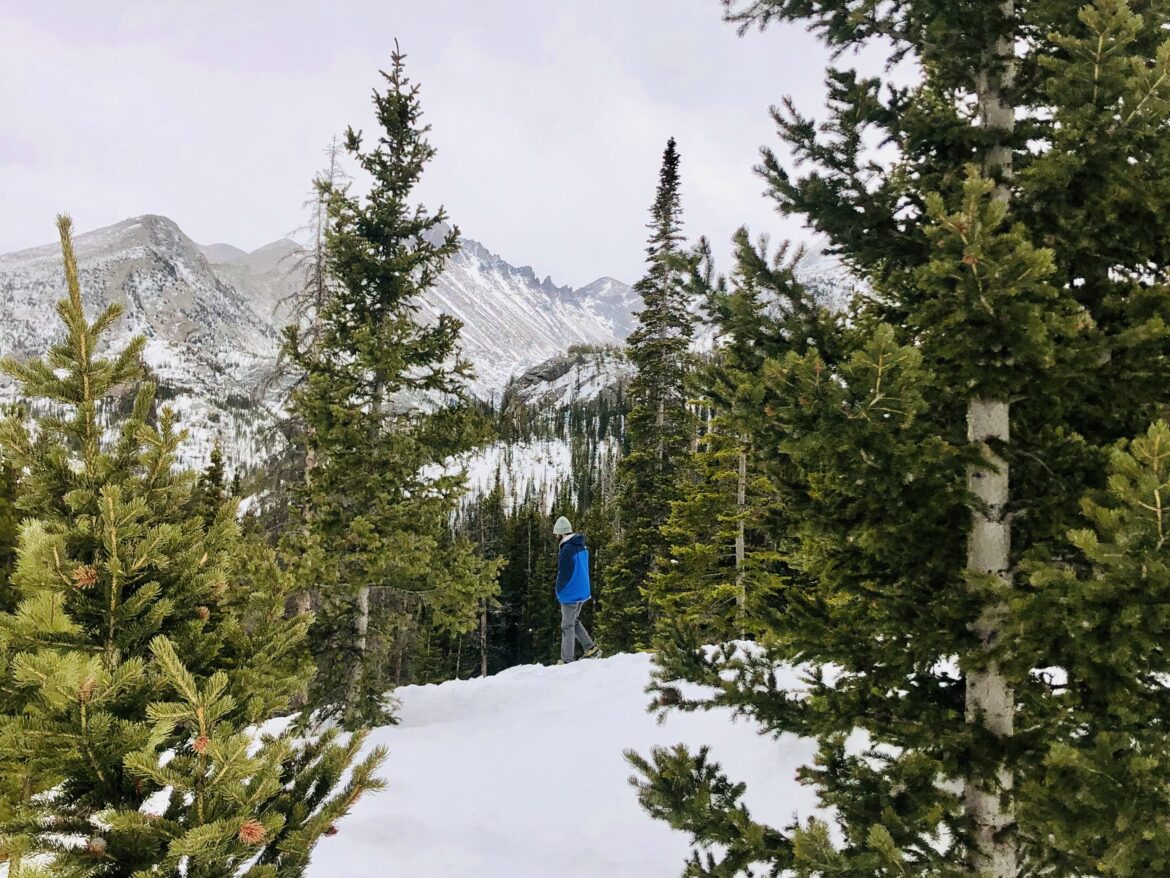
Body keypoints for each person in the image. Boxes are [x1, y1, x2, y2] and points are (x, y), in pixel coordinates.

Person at [553, 515, 601, 664]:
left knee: (566, 625)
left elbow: (564, 573)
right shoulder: (581, 545)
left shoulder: (567, 549)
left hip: (571, 592)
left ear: (560, 532)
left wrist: (559, 590)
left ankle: (567, 659)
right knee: (573, 621)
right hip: (582, 589)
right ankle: (591, 648)